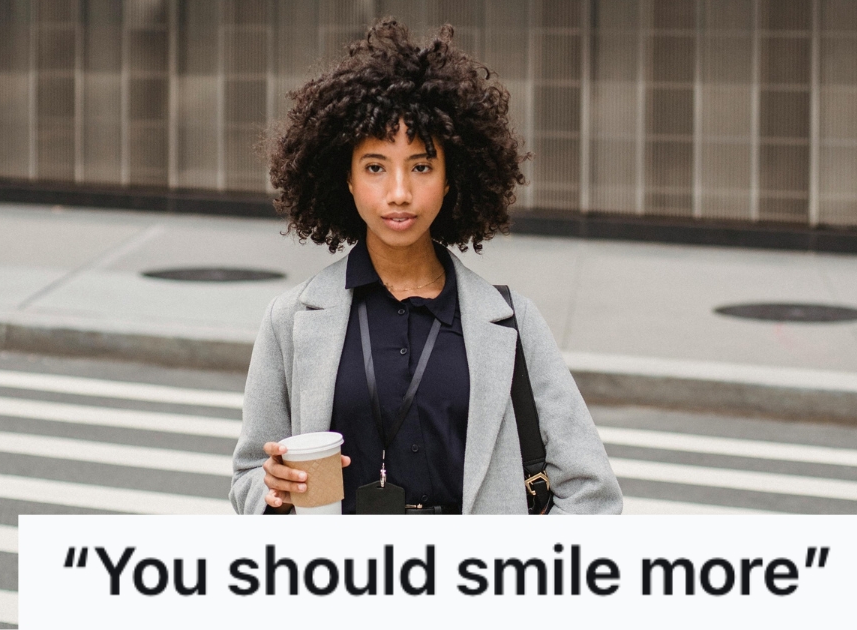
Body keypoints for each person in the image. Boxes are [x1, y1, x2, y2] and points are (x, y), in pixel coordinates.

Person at [230, 18, 621, 515]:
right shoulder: (290, 320)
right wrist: (273, 494)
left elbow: (592, 494)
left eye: (421, 166)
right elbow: (249, 478)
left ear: (451, 177)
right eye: (375, 167)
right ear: (345, 178)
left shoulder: (512, 321)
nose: (399, 193)